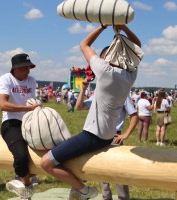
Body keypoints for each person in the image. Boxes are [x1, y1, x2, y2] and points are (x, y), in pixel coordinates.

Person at [40, 24, 141, 200]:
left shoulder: (105, 71)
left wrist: (103, 26)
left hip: (93, 136)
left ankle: (84, 190)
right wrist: (123, 27)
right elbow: (137, 45)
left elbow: (84, 45)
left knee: (46, 162)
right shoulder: (130, 76)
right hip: (107, 136)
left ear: (106, 59)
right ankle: (80, 186)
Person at [75, 78, 138, 200]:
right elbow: (79, 107)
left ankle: (123, 198)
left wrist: (125, 134)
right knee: (102, 170)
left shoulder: (122, 96)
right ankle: (106, 197)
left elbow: (134, 115)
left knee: (118, 171)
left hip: (115, 139)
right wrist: (82, 90)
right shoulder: (97, 96)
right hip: (99, 137)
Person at [0, 53, 41, 199]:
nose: (28, 71)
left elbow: (31, 102)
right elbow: (3, 105)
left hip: (29, 121)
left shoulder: (31, 80)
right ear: (15, 69)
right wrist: (29, 109)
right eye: (25, 68)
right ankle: (26, 184)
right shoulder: (6, 78)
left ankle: (25, 178)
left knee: (49, 148)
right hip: (11, 123)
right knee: (22, 155)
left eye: (29, 67)